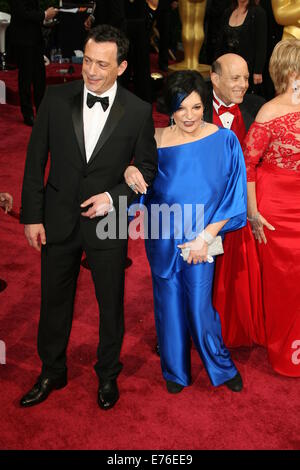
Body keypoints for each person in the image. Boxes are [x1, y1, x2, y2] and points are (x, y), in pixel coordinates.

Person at [19, 24, 157, 410]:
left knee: (110, 304)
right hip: (59, 216)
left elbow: (147, 169)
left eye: (102, 64)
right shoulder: (56, 99)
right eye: (87, 61)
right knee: (53, 301)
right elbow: (35, 161)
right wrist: (33, 216)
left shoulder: (139, 111)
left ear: (122, 66)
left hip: (108, 223)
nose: (91, 71)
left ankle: (108, 374)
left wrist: (115, 197)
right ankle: (51, 370)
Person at [125, 70, 247, 393]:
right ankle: (175, 370)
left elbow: (234, 195)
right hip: (162, 236)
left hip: (202, 240)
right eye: (181, 108)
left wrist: (206, 238)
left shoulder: (224, 141)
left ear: (204, 105)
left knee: (198, 306)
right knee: (167, 303)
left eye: (195, 107)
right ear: (170, 109)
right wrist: (129, 169)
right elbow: (142, 188)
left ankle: (220, 365)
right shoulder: (155, 140)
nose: (189, 116)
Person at [243, 38, 300, 376]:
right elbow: (249, 165)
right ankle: (285, 347)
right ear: (286, 71)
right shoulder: (269, 112)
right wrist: (252, 211)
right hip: (276, 207)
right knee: (283, 281)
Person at [206, 53, 266, 348]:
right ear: (214, 79)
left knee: (237, 276)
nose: (243, 85)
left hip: (243, 209)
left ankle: (236, 326)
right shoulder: (193, 109)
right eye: (235, 78)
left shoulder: (257, 108)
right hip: (204, 209)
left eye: (246, 77)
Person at [9, 1, 58, 126]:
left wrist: (45, 19)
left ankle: (41, 111)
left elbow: (31, 10)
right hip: (23, 39)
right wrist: (44, 14)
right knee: (26, 77)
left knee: (39, 77)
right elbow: (21, 12)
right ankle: (27, 114)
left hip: (36, 38)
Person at [215, 0, 267, 94]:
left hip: (248, 69)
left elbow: (261, 44)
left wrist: (258, 71)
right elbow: (220, 43)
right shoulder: (228, 12)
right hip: (227, 67)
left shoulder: (258, 13)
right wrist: (216, 66)